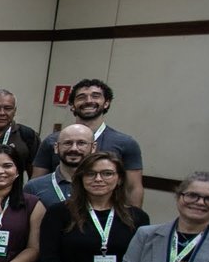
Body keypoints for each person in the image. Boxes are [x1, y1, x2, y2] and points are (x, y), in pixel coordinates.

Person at [33, 79, 144, 207]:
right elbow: (36, 183)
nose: (89, 101)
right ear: (72, 105)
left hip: (104, 217)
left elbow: (133, 188)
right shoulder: (52, 141)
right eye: (81, 97)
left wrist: (135, 221)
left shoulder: (125, 143)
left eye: (95, 96)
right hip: (55, 213)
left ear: (106, 103)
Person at [25, 122, 94, 209]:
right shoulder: (34, 187)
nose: (74, 148)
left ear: (93, 147)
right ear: (56, 147)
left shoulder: (102, 186)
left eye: (81, 143)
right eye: (67, 143)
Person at [0, 89, 38, 177]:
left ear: (14, 111)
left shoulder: (26, 134)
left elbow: (35, 173)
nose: (2, 113)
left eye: (8, 108)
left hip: (15, 190)